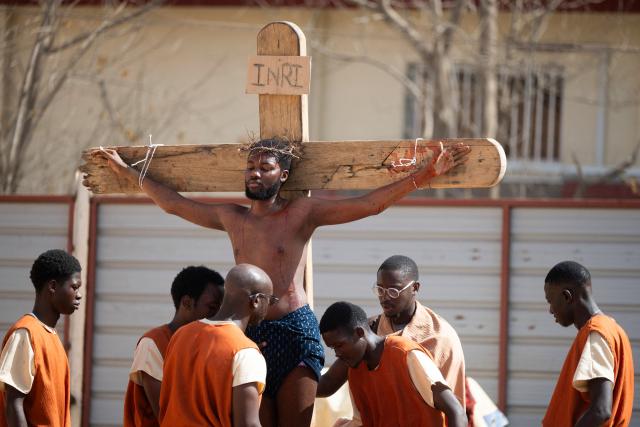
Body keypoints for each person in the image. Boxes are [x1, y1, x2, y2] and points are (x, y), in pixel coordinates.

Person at [93, 138, 470, 427]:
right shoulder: (231, 217)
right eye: (250, 166)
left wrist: (424, 175)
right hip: (249, 335)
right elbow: (175, 204)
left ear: (283, 175)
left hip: (294, 330)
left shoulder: (300, 213)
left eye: (266, 167)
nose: (255, 173)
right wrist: (129, 174)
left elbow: (368, 204)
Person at [317, 255, 466, 408]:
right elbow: (328, 383)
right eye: (380, 290)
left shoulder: (440, 337)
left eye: (393, 291)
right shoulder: (371, 330)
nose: (385, 297)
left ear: (415, 288)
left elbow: (452, 408)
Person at [159, 264, 274, 427]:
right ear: (256, 300)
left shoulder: (180, 335)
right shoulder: (245, 352)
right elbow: (248, 424)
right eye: (270, 300)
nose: (270, 307)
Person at [319, 301, 467, 427]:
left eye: (339, 345)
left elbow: (456, 411)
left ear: (359, 333)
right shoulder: (355, 371)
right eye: (333, 348)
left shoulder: (405, 354)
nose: (337, 354)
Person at [123, 266, 225, 427]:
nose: (218, 316)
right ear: (187, 303)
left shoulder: (211, 344)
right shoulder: (153, 343)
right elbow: (167, 413)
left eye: (221, 309)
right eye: (212, 308)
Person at [543, 261, 634, 427]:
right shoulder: (611, 330)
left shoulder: (597, 333)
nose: (550, 310)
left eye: (550, 301)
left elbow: (601, 410)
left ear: (566, 297)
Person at [0, 249, 82, 427]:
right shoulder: (25, 334)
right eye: (74, 287)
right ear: (52, 286)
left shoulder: (50, 336)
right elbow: (13, 403)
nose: (79, 295)